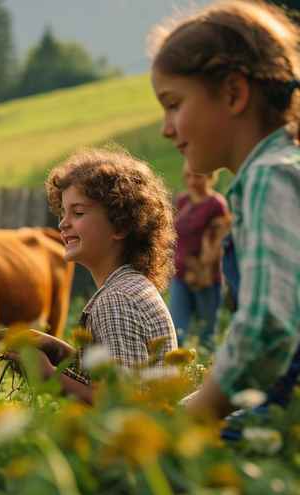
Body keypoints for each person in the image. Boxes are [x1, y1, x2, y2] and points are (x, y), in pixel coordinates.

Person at [150, 0, 300, 420]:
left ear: (233, 93)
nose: (165, 128)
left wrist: (192, 416)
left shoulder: (269, 178)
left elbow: (266, 329)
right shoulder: (281, 169)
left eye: (173, 104)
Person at [27, 148, 178, 404]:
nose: (63, 223)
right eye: (63, 212)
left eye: (78, 212)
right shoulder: (130, 287)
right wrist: (62, 353)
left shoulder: (116, 301)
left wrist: (50, 377)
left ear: (119, 225)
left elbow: (125, 402)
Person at [169, 161, 230, 347]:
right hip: (180, 274)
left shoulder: (216, 204)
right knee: (176, 331)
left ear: (211, 177)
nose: (192, 181)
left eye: (197, 176)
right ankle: (175, 373)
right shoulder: (182, 201)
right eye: (188, 176)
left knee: (207, 335)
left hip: (206, 277)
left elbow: (220, 240)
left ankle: (205, 373)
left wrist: (203, 265)